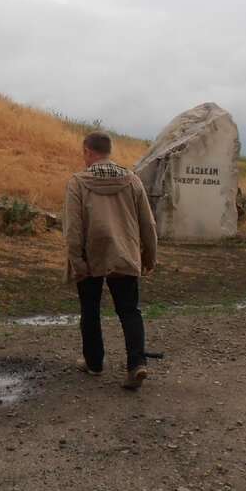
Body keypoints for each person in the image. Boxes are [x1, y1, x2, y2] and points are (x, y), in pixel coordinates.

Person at [63, 131, 158, 389]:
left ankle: (94, 364)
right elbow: (147, 223)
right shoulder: (132, 180)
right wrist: (149, 256)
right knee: (129, 310)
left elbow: (73, 229)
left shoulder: (77, 183)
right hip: (124, 253)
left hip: (90, 256)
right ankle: (137, 364)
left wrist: (78, 263)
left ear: (88, 152)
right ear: (109, 151)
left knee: (90, 310)